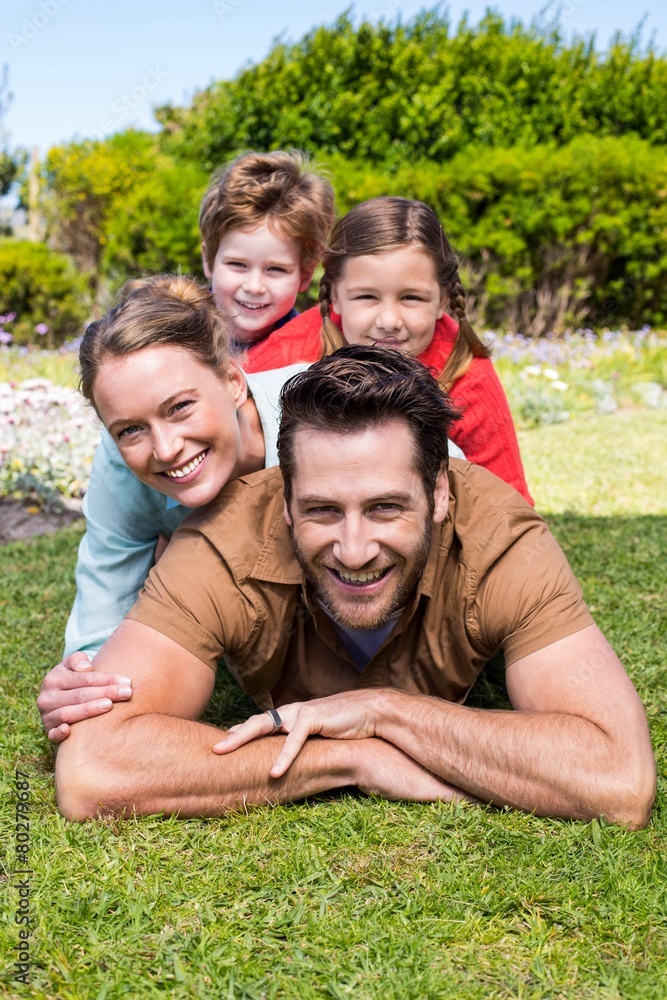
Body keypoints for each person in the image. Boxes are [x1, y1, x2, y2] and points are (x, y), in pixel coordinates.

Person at [53, 346, 656, 828]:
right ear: (283, 501)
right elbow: (94, 769)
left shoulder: (500, 537)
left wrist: (379, 711)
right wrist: (353, 756)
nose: (354, 548)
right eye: (320, 510)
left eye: (387, 507)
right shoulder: (223, 541)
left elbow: (618, 779)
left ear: (442, 492)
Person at [56, 275, 308, 693]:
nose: (167, 449)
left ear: (233, 381)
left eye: (180, 407)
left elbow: (444, 474)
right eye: (130, 429)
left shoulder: (316, 408)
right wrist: (83, 684)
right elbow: (102, 612)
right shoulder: (119, 469)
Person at [244, 197, 532, 502]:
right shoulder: (292, 352)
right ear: (336, 298)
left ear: (443, 300)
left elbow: (509, 504)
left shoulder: (464, 372)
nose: (389, 321)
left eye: (411, 298)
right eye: (367, 297)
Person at [199, 149, 335, 348]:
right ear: (209, 259)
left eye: (276, 269)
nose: (254, 287)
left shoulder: (314, 353)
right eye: (238, 264)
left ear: (305, 274)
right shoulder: (172, 336)